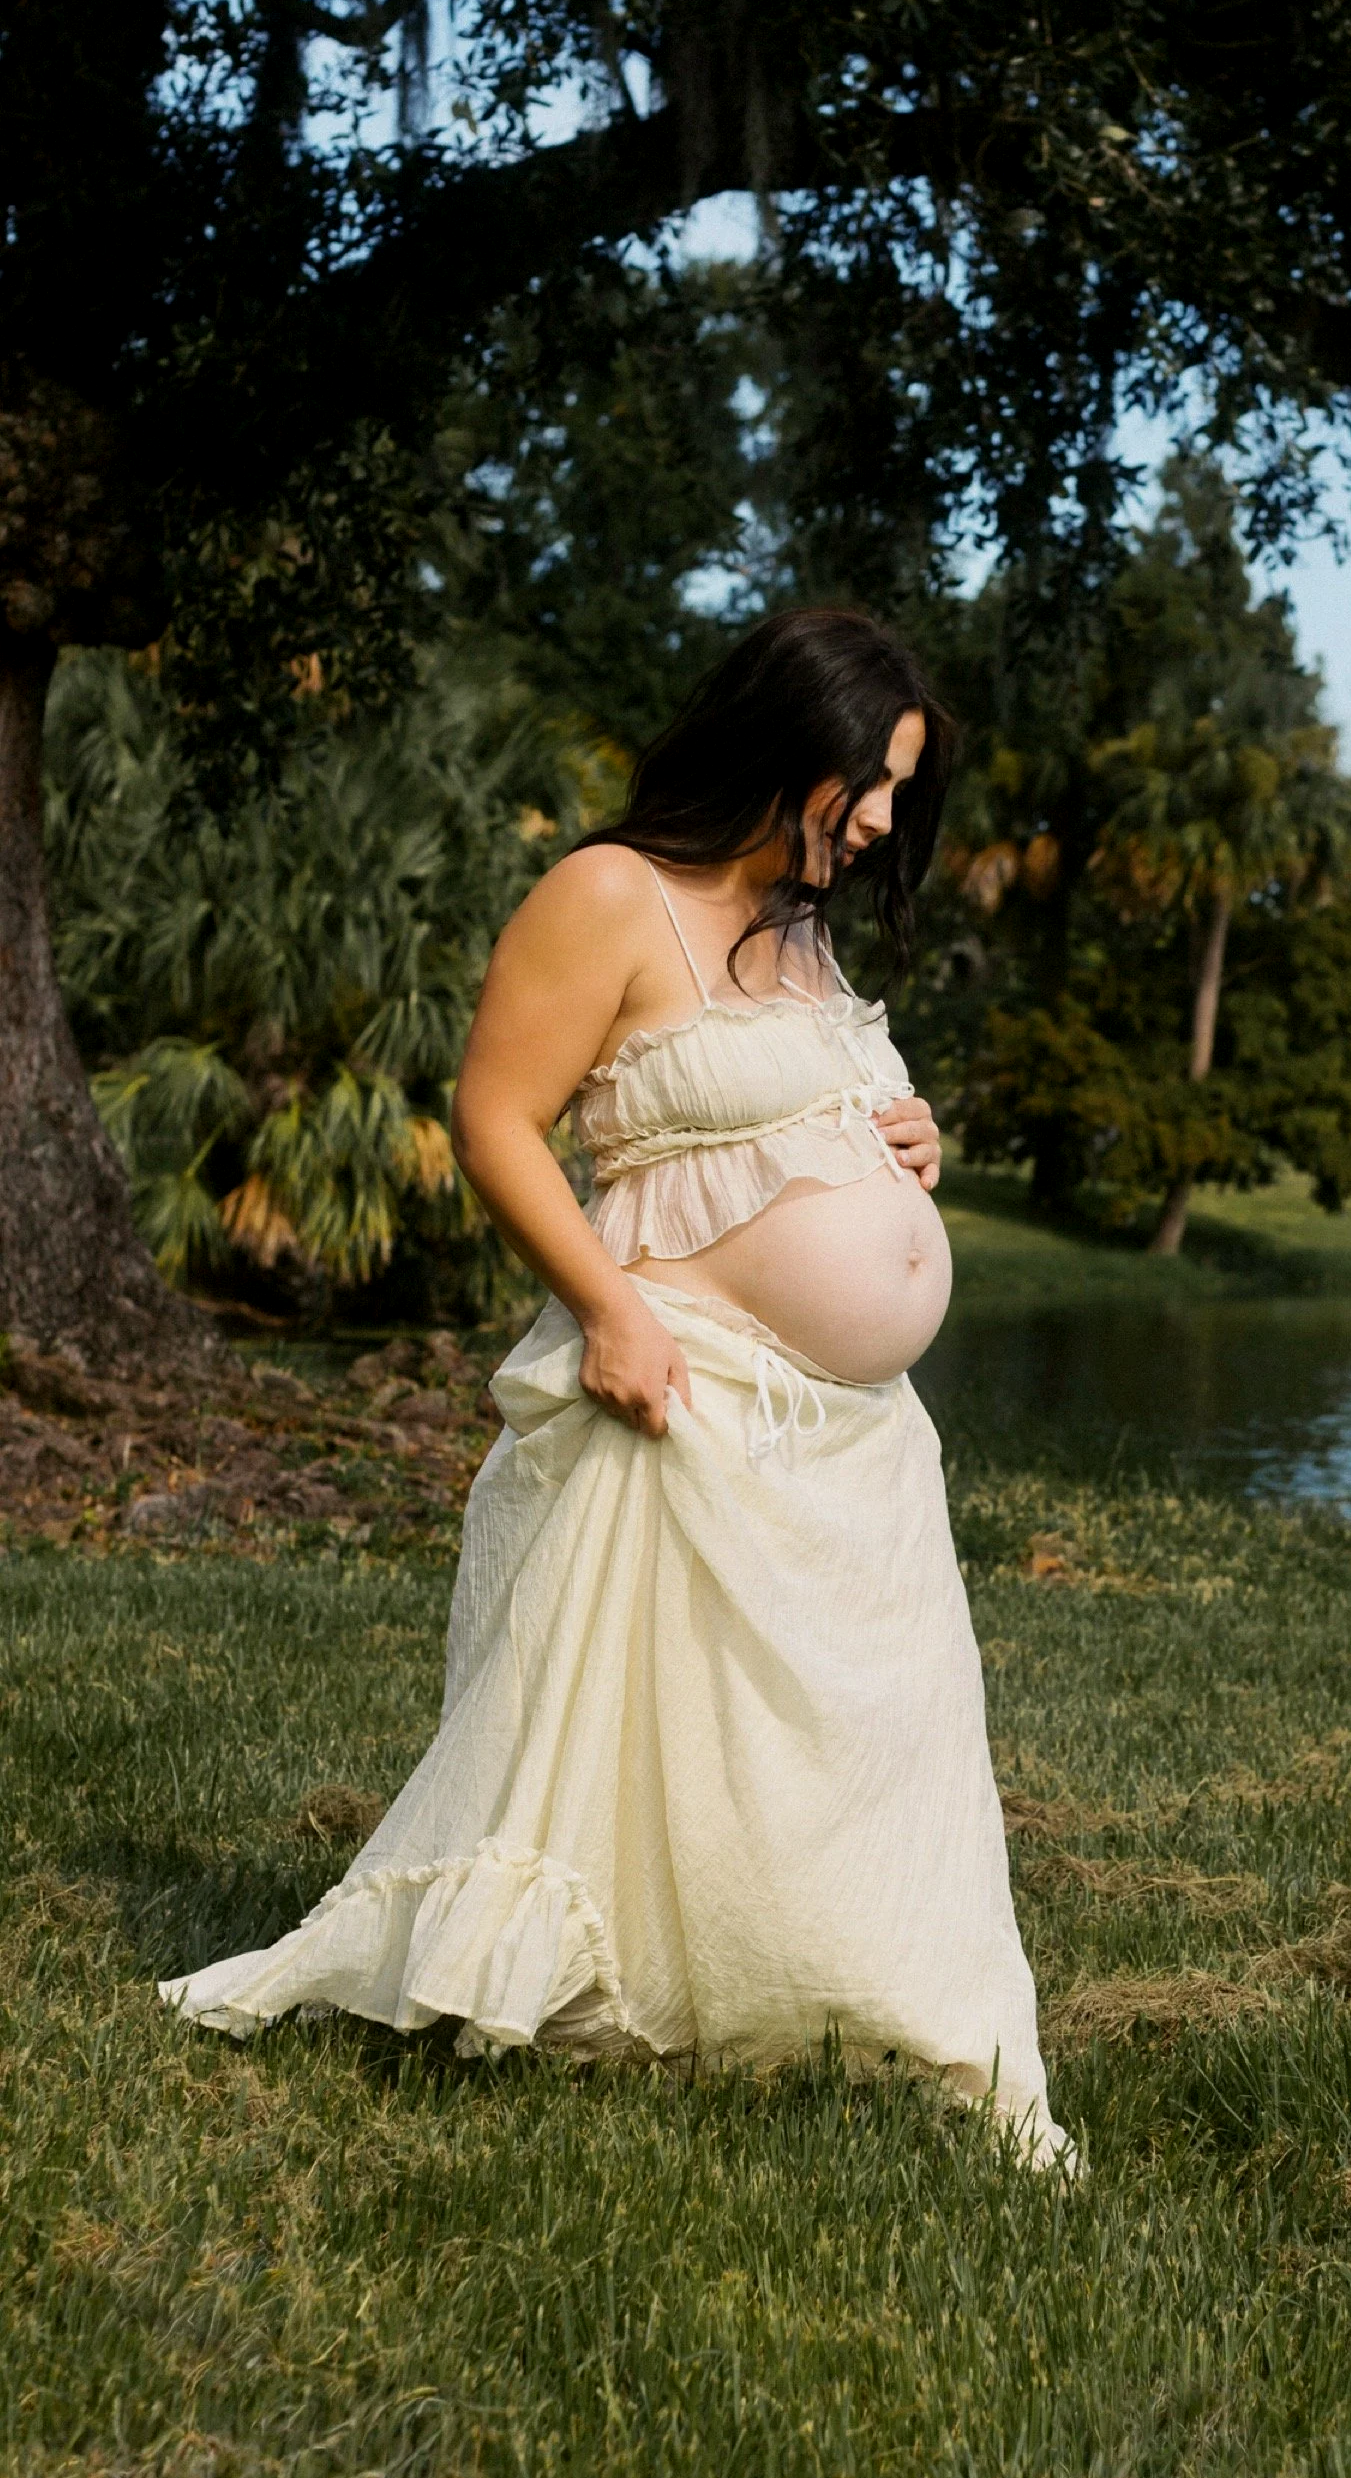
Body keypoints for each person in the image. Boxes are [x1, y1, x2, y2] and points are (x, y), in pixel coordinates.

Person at [161, 610, 1069, 2168]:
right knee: (673, 1753)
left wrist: (908, 1142)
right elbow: (498, 1114)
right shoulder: (611, 895)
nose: (878, 821)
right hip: (687, 1386)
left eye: (900, 794)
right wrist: (606, 1307)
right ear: (785, 741)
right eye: (867, 780)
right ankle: (642, 1992)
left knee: (868, 1756)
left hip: (850, 1437)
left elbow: (792, 1116)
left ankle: (900, 2022)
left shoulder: (802, 928)